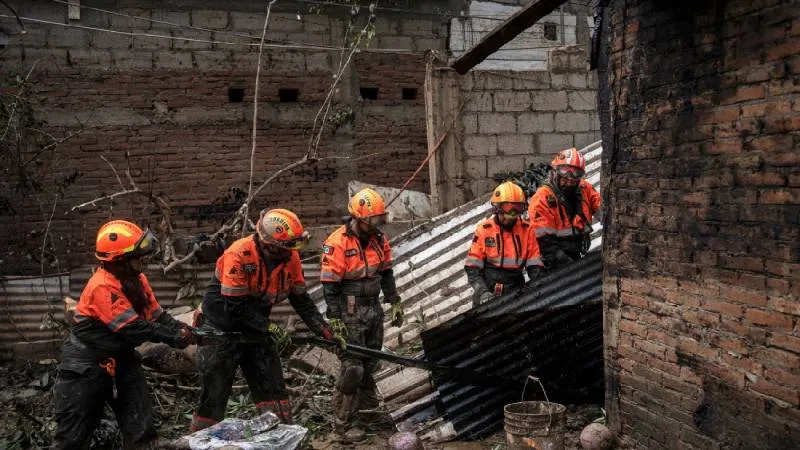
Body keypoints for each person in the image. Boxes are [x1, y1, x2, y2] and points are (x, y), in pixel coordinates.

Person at [190, 208, 340, 431]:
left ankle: (281, 435)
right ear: (268, 243)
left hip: (257, 328)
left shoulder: (291, 258)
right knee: (214, 394)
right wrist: (269, 327)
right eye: (287, 246)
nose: (292, 252)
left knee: (273, 388)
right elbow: (235, 307)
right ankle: (200, 441)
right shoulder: (239, 254)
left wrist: (324, 330)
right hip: (220, 328)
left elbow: (301, 300)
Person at [52, 220, 195, 450]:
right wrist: (174, 339)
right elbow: (133, 328)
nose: (144, 259)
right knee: (73, 438)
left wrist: (184, 329)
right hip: (87, 365)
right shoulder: (103, 286)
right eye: (138, 255)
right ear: (120, 259)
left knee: (142, 432)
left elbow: (157, 316)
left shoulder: (137, 280)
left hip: (122, 359)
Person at [320, 187, 404, 443]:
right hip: (349, 308)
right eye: (374, 219)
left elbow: (386, 272)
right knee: (353, 367)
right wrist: (334, 317)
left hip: (373, 306)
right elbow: (330, 285)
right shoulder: (337, 243)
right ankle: (344, 425)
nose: (379, 224)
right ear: (360, 218)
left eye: (381, 219)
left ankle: (369, 415)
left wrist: (394, 301)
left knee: (370, 363)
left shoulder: (379, 240)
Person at [465, 181, 544, 307]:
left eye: (515, 210)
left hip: (516, 289)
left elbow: (534, 266)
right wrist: (482, 291)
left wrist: (539, 286)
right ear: (497, 209)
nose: (510, 218)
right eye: (507, 211)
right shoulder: (484, 230)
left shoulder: (526, 230)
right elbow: (472, 268)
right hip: (488, 289)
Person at [528, 148, 601, 270]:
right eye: (565, 175)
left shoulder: (585, 188)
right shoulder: (543, 197)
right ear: (555, 171)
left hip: (575, 250)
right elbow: (543, 240)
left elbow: (603, 210)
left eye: (574, 176)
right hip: (552, 256)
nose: (569, 181)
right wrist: (564, 261)